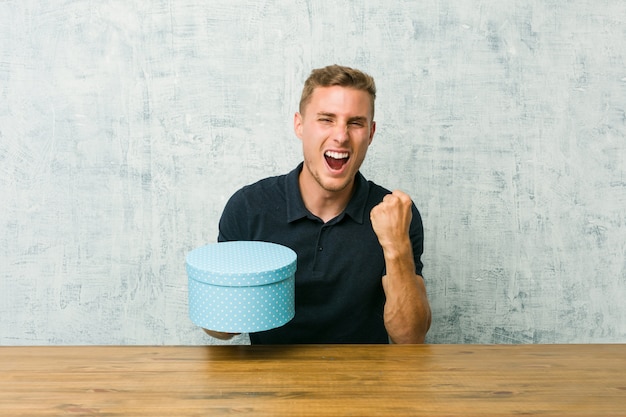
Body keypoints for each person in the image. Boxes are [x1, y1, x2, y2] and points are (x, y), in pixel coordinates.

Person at [204, 64, 431, 344]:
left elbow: (410, 338)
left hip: (366, 384)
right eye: (326, 119)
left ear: (371, 133)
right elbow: (221, 331)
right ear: (299, 125)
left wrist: (396, 247)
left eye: (355, 123)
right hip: (271, 381)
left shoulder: (396, 214)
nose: (341, 135)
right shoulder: (250, 207)